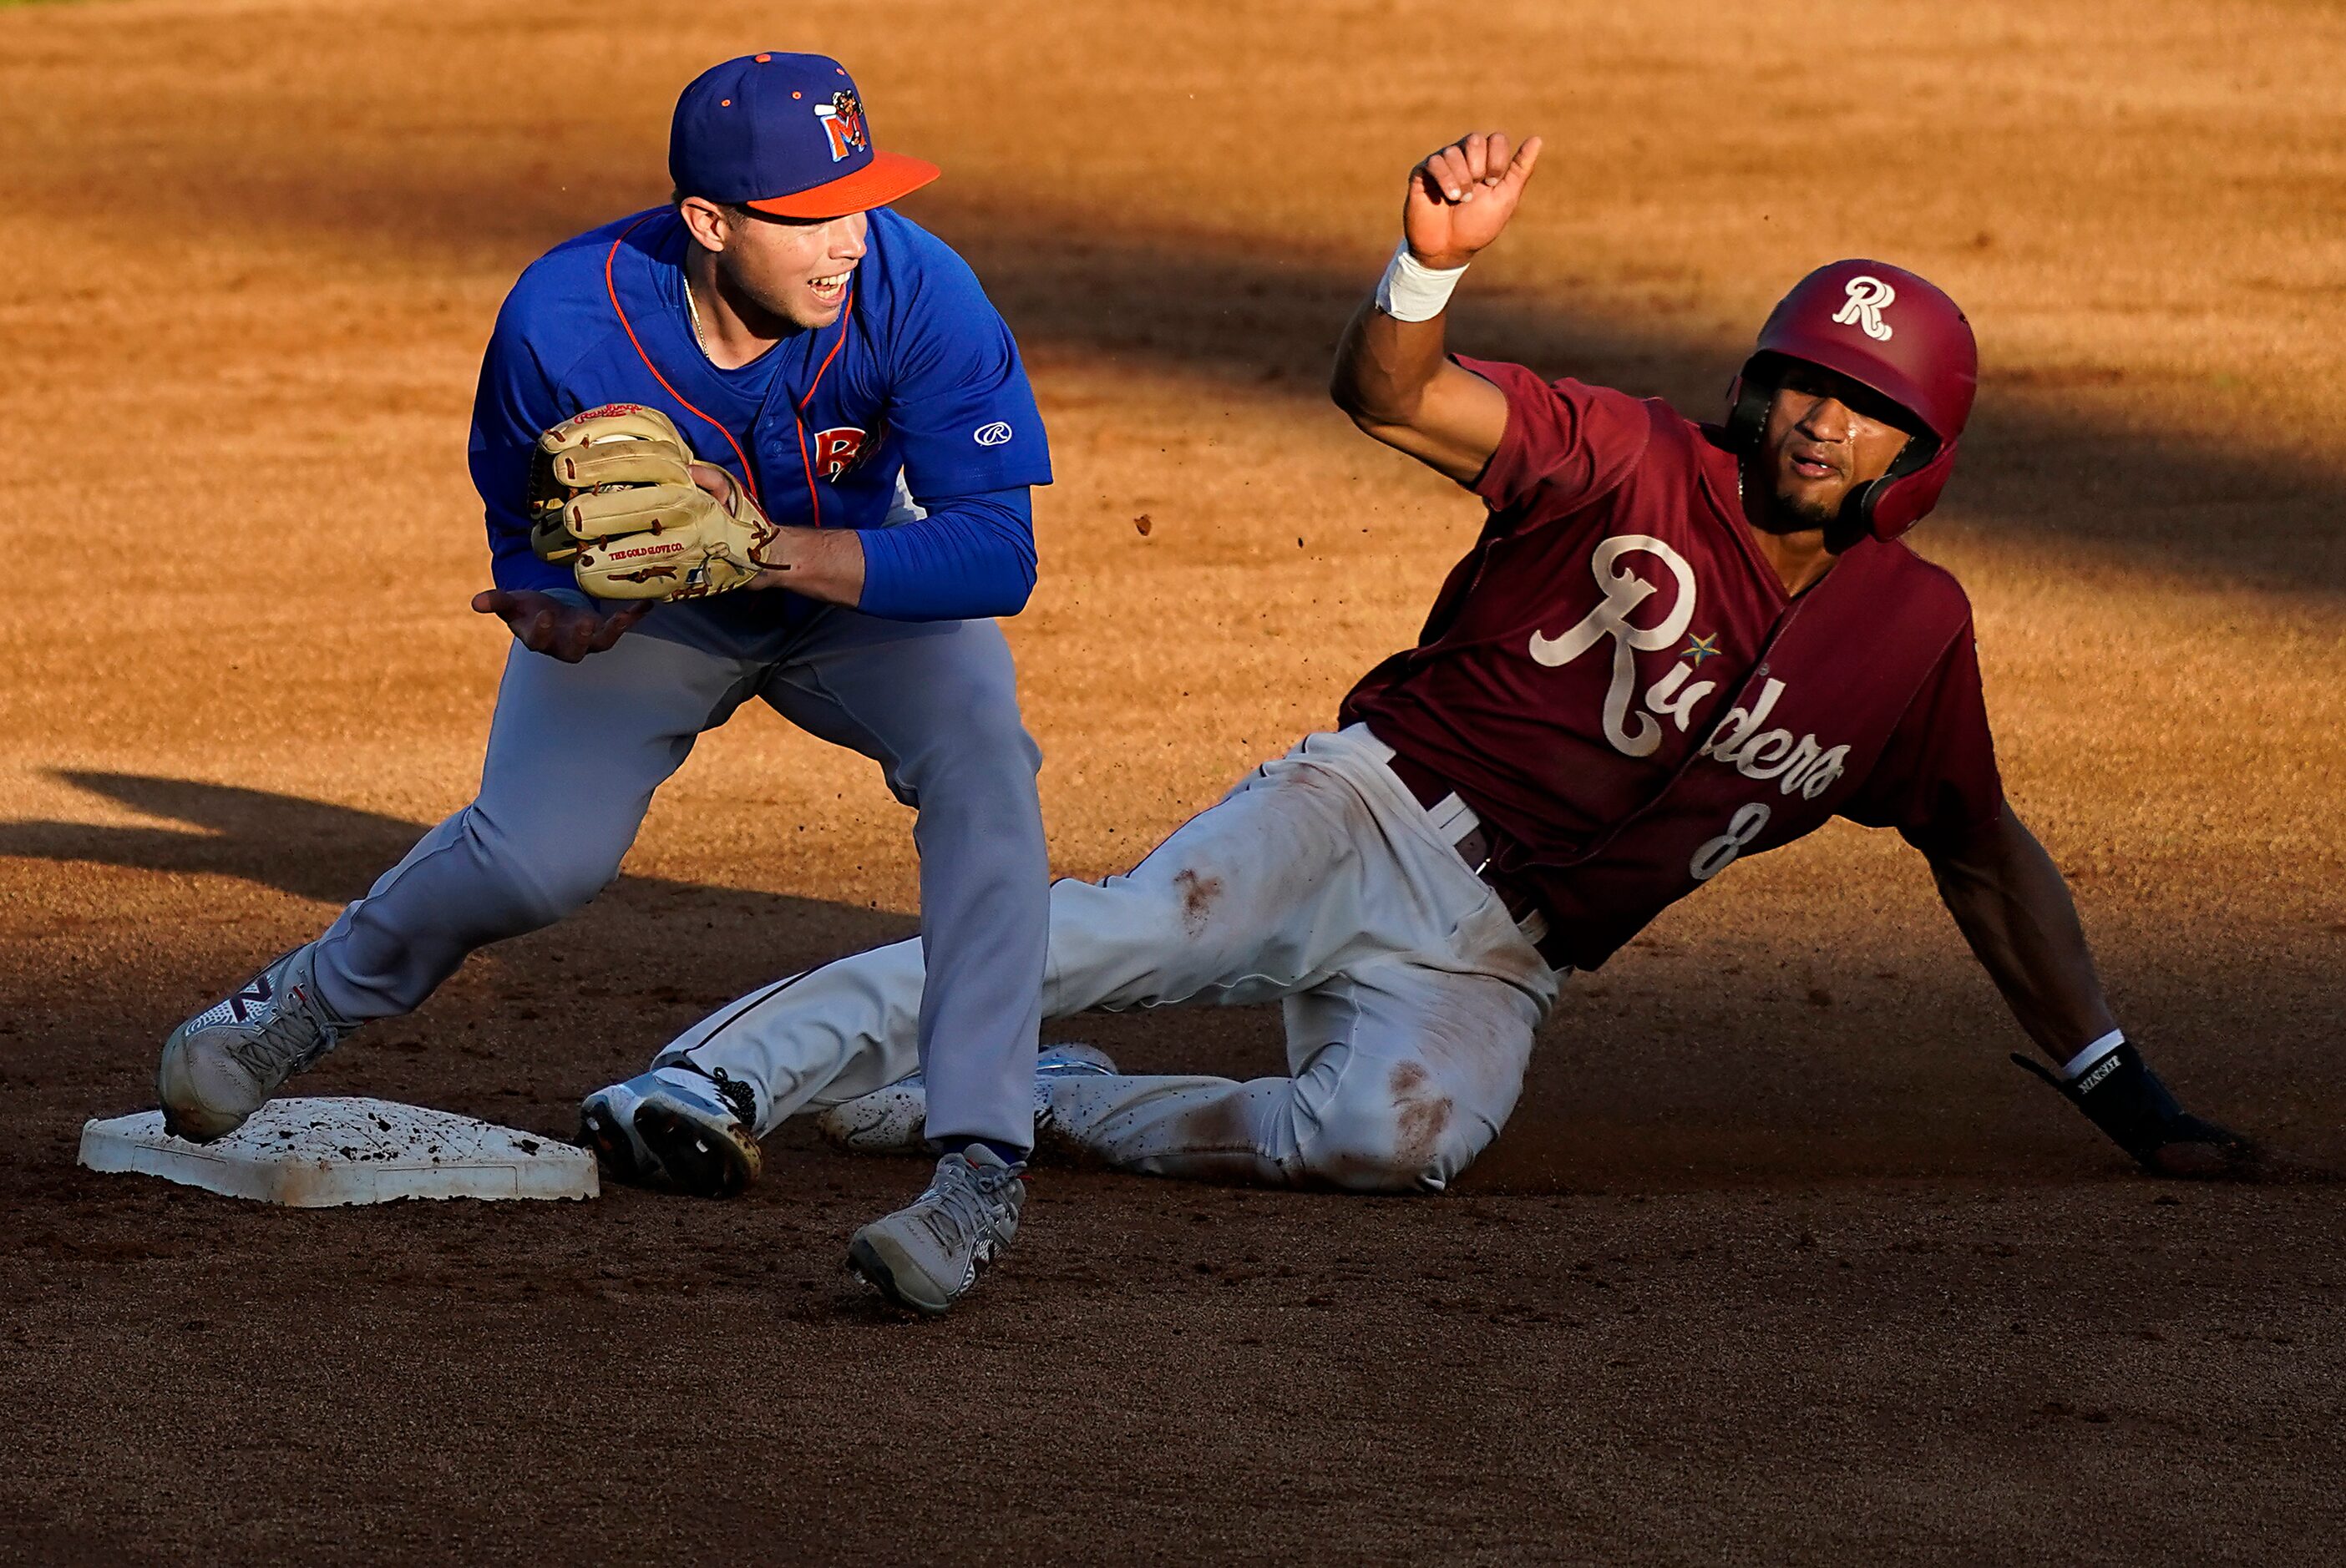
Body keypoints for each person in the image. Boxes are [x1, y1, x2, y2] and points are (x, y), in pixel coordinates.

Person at [582, 129, 2257, 1216]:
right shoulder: (1623, 451)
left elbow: (1977, 844)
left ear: (1922, 446)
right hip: (1367, 810)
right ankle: (716, 1073)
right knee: (1102, 935)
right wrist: (1427, 266)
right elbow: (1395, 397)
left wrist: (2119, 1084)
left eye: (1864, 405)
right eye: (1801, 383)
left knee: (1391, 1143)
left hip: (1499, 961)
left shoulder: (1910, 640)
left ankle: (1049, 1106)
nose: (1821, 422)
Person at [157, 52, 1062, 1312]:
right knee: (538, 857)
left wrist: (769, 548)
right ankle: (301, 999)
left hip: (860, 593)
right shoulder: (563, 319)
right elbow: (520, 504)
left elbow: (996, 553)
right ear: (708, 223)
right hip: (663, 613)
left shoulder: (919, 290)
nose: (849, 241)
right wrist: (559, 606)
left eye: (859, 201)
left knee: (985, 767)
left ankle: (977, 1165)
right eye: (810, 218)